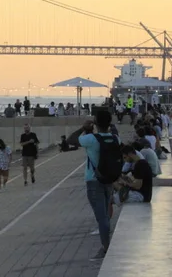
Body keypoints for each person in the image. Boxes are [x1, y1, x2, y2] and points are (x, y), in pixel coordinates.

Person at [68, 111, 119, 260]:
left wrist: (83, 128)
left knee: (101, 217)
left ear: (96, 124)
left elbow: (71, 140)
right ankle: (106, 245)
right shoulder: (115, 138)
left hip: (93, 180)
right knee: (105, 213)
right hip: (109, 179)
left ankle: (106, 249)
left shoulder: (90, 139)